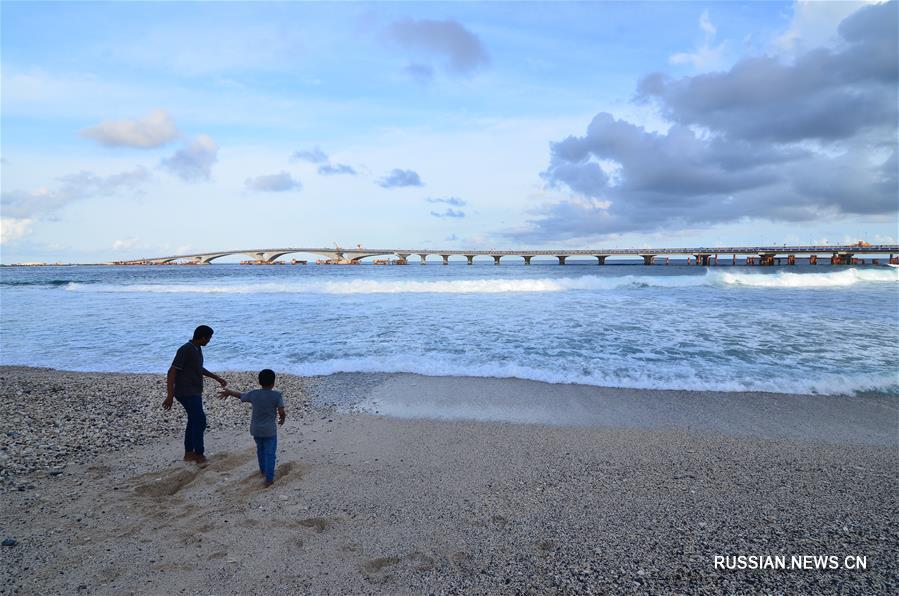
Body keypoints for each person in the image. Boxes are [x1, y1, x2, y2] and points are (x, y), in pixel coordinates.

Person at [163, 325, 227, 465]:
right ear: (203, 337)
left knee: (193, 420)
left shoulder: (197, 349)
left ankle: (189, 453)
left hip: (194, 391)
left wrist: (217, 378)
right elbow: (172, 371)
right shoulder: (186, 349)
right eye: (209, 338)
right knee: (200, 420)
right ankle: (199, 454)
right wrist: (170, 395)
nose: (209, 341)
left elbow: (198, 368)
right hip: (186, 392)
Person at [219, 369, 286, 486]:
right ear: (273, 383)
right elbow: (281, 411)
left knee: (260, 450)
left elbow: (240, 395)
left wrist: (229, 392)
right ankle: (269, 479)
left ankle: (263, 471)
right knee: (270, 454)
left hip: (256, 430)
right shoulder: (277, 395)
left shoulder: (254, 394)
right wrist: (282, 419)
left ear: (259, 382)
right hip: (269, 431)